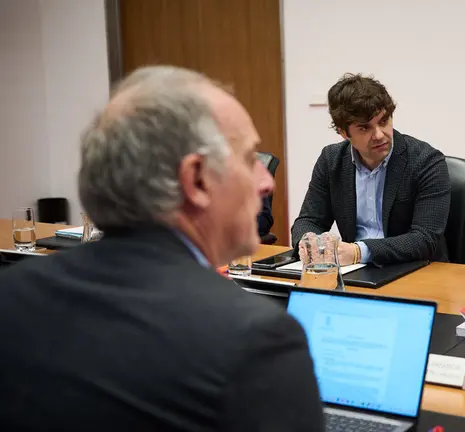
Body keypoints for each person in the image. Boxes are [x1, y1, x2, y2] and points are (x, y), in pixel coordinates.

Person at [0, 66, 324, 430]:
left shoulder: (13, 294)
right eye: (250, 159)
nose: (266, 182)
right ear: (197, 180)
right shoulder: (257, 339)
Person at [290, 73, 451, 266]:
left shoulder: (426, 161)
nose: (379, 135)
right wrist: (310, 243)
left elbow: (425, 239)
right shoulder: (331, 160)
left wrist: (358, 252)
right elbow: (309, 220)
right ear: (343, 133)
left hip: (414, 271)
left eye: (383, 121)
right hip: (355, 273)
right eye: (364, 128)